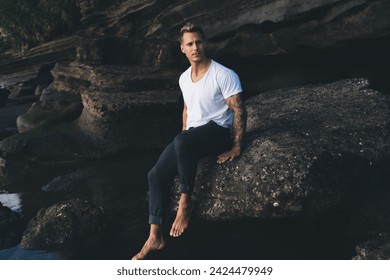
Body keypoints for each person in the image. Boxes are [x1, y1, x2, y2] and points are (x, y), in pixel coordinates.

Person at [132, 22, 247, 260]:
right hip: (193, 136)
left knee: (183, 142)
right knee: (154, 175)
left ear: (205, 43)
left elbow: (239, 110)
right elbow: (186, 108)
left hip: (217, 131)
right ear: (182, 48)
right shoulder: (184, 78)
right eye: (190, 44)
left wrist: (236, 146)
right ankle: (155, 236)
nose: (196, 47)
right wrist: (183, 136)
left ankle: (185, 203)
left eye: (199, 42)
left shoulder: (223, 74)